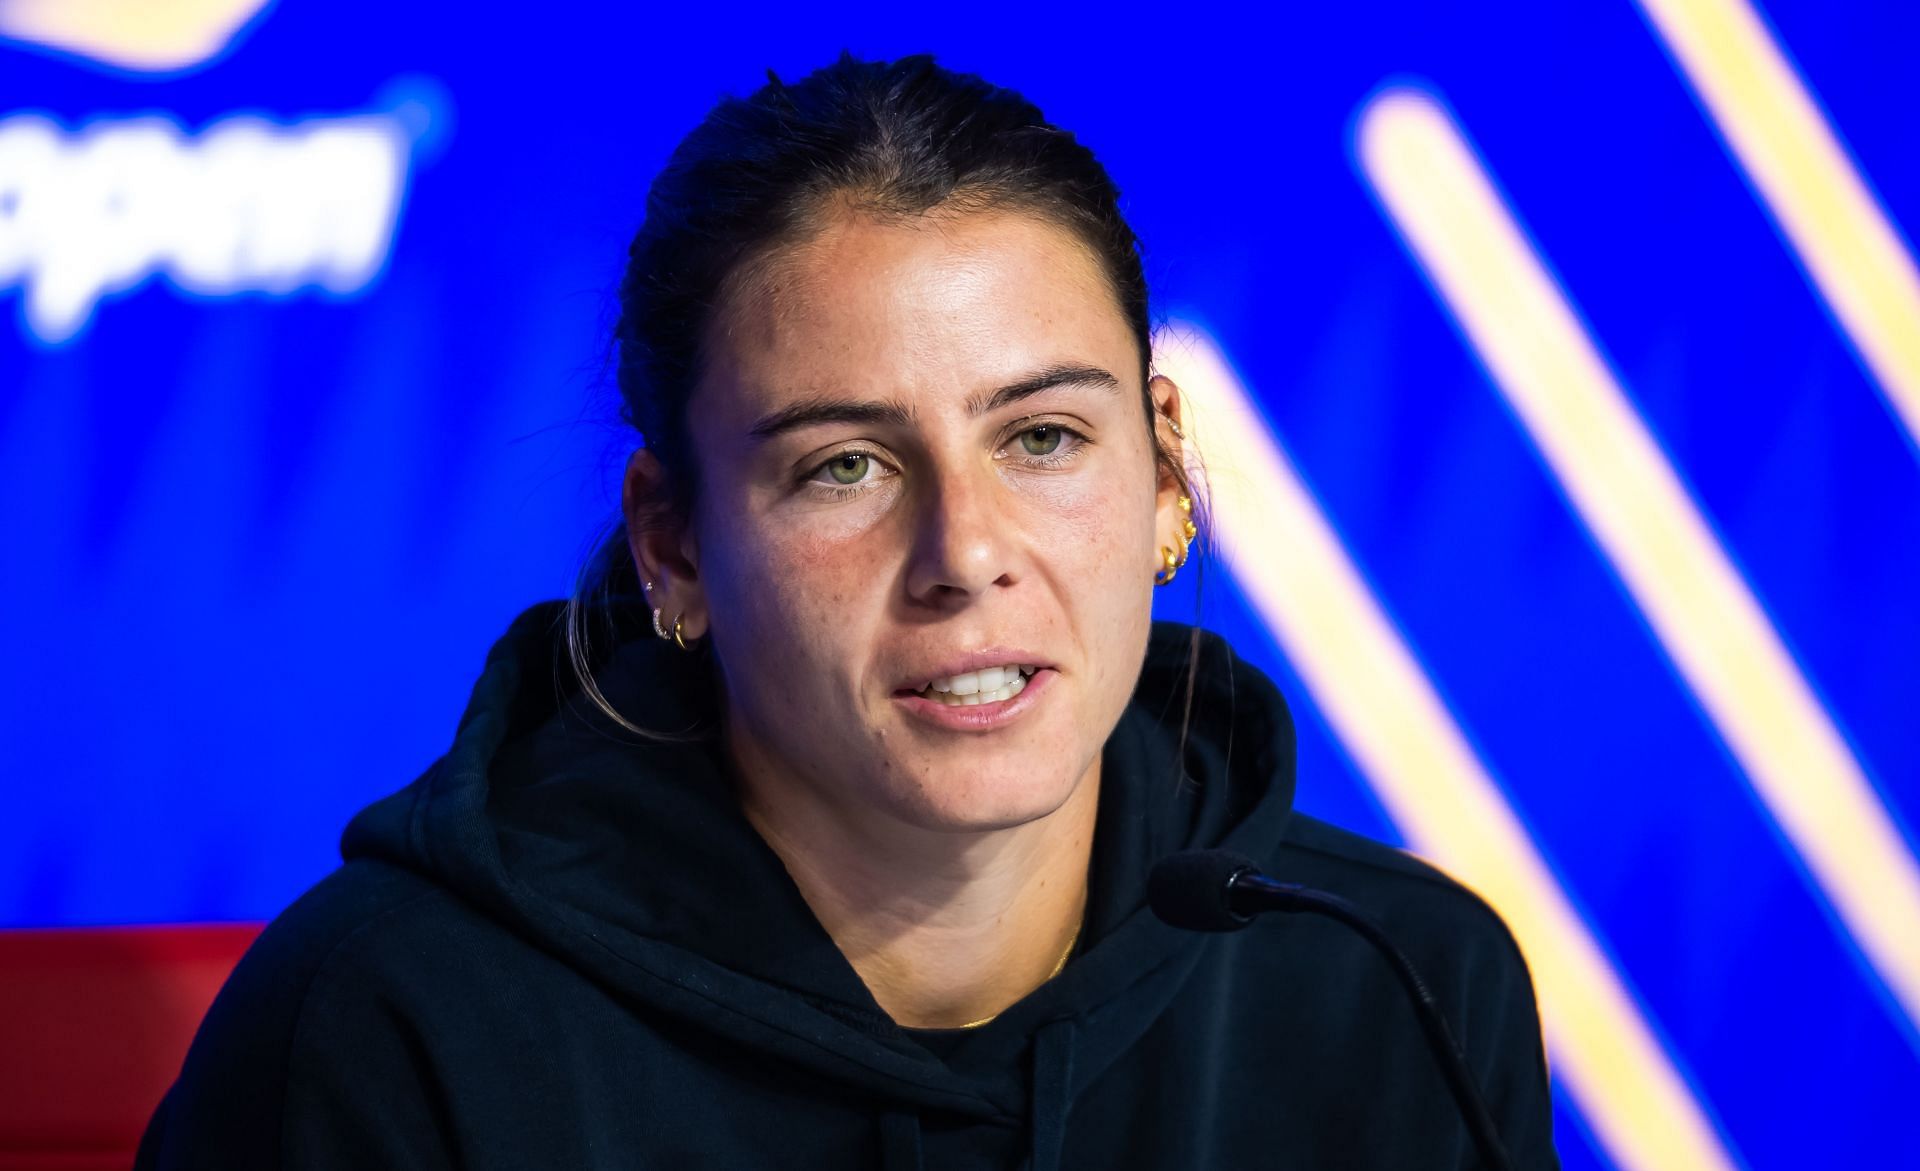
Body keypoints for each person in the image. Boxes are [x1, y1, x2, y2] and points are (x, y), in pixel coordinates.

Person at [136, 53, 1560, 1169]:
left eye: (1044, 438)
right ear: (673, 543)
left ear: (1166, 464)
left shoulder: (1399, 986)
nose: (966, 551)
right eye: (846, 467)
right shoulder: (388, 1029)